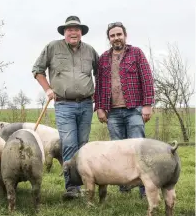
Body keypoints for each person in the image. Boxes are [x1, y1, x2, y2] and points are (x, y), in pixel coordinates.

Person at [32, 16, 99, 200]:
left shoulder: (90, 51)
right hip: (64, 104)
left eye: (77, 29)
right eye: (69, 29)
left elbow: (100, 74)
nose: (73, 32)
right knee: (69, 144)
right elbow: (37, 70)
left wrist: (99, 99)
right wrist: (47, 89)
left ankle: (86, 182)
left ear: (81, 32)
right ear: (64, 32)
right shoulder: (53, 47)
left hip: (86, 104)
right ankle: (72, 188)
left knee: (83, 145)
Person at [94, 22, 154, 198]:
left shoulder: (136, 53)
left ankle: (145, 188)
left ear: (125, 35)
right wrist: (99, 108)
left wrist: (147, 104)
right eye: (112, 36)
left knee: (138, 149)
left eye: (119, 34)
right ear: (109, 38)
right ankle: (124, 187)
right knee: (118, 152)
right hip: (113, 112)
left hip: (134, 109)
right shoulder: (104, 58)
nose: (116, 38)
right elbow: (99, 85)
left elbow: (147, 79)